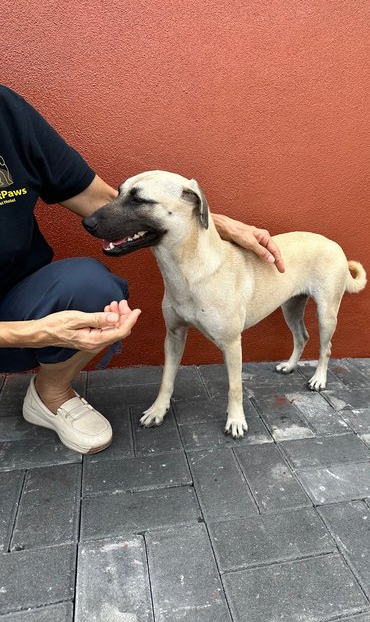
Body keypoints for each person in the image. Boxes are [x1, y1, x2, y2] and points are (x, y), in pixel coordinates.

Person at [0, 85, 285, 455]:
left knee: (93, 287)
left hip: (13, 295)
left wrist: (214, 223)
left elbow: (100, 201)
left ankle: (50, 393)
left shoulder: (8, 112)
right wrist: (33, 331)